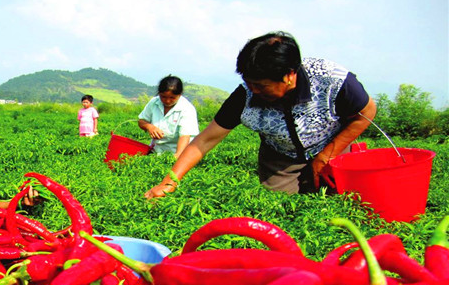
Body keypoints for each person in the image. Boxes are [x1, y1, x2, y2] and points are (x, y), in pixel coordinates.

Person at [145, 31, 377, 198]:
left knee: (343, 200)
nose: (254, 90)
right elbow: (205, 140)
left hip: (332, 147)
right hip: (280, 156)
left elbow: (367, 112)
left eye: (261, 85)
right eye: (249, 83)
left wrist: (327, 155)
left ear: (289, 75)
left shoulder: (331, 79)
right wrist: (169, 182)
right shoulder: (245, 95)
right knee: (281, 209)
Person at [138, 75, 200, 158]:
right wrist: (149, 127)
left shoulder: (187, 109)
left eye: (172, 98)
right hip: (156, 151)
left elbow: (185, 136)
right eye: (163, 97)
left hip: (178, 152)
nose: (167, 101)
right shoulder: (154, 103)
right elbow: (141, 121)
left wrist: (177, 157)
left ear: (180, 95)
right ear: (159, 93)